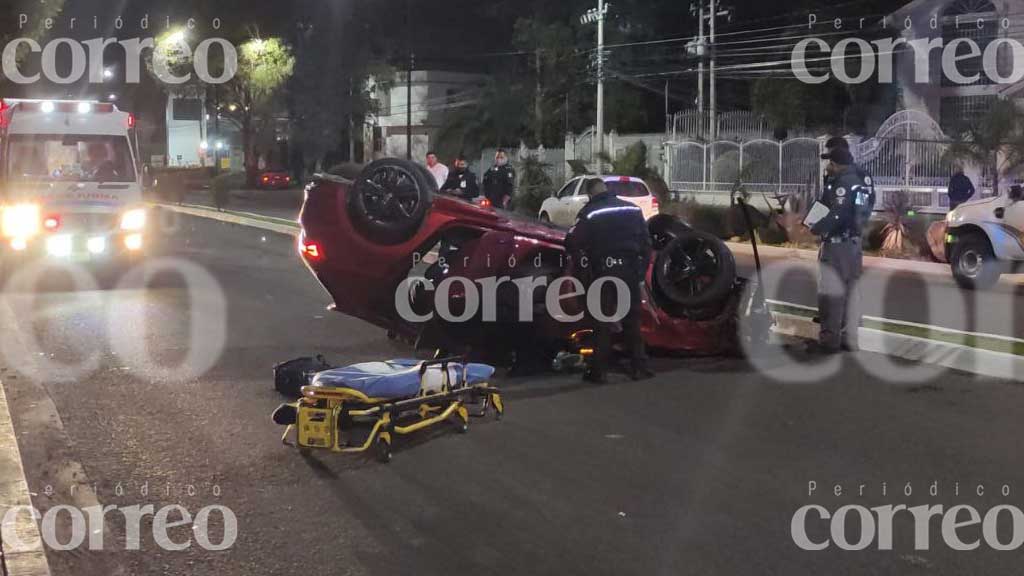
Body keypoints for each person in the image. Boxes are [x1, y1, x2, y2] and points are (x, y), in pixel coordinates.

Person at [565, 178, 654, 383]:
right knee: (632, 321)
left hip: (603, 273)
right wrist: (640, 273)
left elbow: (571, 240)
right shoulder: (632, 209)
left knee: (602, 322)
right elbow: (647, 244)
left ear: (590, 194)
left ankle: (598, 372)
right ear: (607, 190)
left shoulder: (590, 212)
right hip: (630, 271)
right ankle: (639, 367)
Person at [808, 148, 871, 354]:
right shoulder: (862, 179)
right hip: (853, 244)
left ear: (836, 164)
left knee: (831, 293)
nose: (827, 166)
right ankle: (849, 338)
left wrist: (815, 227)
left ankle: (829, 341)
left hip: (837, 246)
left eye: (830, 162)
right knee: (851, 292)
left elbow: (837, 215)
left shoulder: (842, 184)